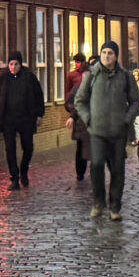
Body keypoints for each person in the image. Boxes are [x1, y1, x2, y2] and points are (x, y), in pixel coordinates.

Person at [72, 39, 139, 223]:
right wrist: (88, 118)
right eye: (104, 53)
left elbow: (136, 101)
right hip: (97, 131)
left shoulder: (125, 76)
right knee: (96, 166)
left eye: (110, 53)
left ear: (116, 56)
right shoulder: (92, 75)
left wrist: (126, 120)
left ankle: (115, 207)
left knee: (118, 170)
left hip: (118, 132)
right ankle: (98, 203)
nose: (106, 56)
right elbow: (79, 100)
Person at [0, 51, 45, 189]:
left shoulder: (29, 77)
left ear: (21, 64)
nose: (13, 67)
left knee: (28, 147)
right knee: (10, 148)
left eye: (16, 64)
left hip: (26, 118)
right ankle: (14, 178)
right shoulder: (2, 79)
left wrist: (39, 114)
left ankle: (24, 169)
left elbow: (38, 96)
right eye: (11, 64)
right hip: (8, 120)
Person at [64, 52, 90, 184]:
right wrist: (71, 111)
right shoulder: (72, 76)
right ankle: (80, 171)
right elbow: (69, 94)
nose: (77, 65)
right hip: (80, 119)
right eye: (75, 62)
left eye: (79, 62)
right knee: (80, 146)